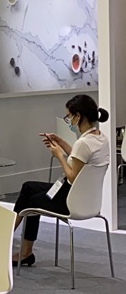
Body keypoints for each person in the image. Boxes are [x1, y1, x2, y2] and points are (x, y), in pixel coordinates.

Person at [13, 94, 109, 266]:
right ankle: (12, 238)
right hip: (87, 199)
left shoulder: (83, 143)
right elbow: (80, 161)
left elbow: (72, 177)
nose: (68, 121)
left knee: (30, 202)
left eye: (68, 116)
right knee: (28, 187)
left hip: (71, 200)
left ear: (78, 116)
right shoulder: (100, 138)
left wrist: (59, 156)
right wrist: (62, 143)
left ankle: (22, 249)